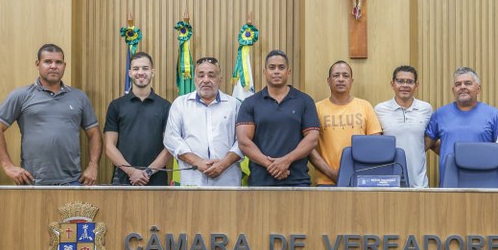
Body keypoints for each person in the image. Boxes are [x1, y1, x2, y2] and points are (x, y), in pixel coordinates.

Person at [0, 43, 102, 185]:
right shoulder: (21, 95)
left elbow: (94, 134)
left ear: (64, 66)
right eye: (48, 61)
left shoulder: (79, 97)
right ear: (37, 64)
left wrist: (93, 165)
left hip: (73, 181)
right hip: (33, 182)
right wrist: (7, 166)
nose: (54, 66)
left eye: (58, 62)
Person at [237, 50, 320, 186]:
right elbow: (244, 141)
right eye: (272, 67)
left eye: (281, 67)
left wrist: (286, 160)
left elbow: (312, 138)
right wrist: (273, 165)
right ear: (265, 72)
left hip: (297, 181)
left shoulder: (305, 101)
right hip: (260, 182)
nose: (276, 71)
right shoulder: (250, 103)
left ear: (288, 72)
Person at [164, 57, 244, 186]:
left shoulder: (234, 105)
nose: (206, 80)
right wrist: (198, 162)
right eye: (201, 75)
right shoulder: (180, 104)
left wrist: (223, 164)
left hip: (227, 179)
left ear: (220, 79)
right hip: (193, 179)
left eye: (211, 75)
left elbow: (242, 140)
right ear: (195, 79)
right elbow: (171, 139)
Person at [309, 60, 382, 185]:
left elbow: (375, 143)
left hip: (360, 180)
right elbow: (309, 147)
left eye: (345, 75)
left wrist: (355, 172)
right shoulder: (316, 108)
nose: (341, 79)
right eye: (336, 75)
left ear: (351, 81)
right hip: (326, 181)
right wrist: (332, 173)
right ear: (328, 81)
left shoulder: (365, 106)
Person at [103, 51, 172, 186]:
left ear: (152, 72)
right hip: (123, 178)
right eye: (136, 69)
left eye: (145, 68)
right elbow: (109, 146)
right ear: (130, 73)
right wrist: (131, 172)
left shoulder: (165, 106)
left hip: (156, 179)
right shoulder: (116, 105)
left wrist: (147, 172)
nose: (140, 72)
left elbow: (169, 147)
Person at [425, 67, 498, 183]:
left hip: (484, 181)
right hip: (450, 181)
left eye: (468, 83)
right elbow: (426, 144)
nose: (462, 87)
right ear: (453, 90)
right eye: (458, 84)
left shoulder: (494, 115)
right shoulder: (440, 114)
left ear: (478, 88)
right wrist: (449, 152)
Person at [374, 65, 433, 188]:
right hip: (389, 182)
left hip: (419, 183)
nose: (405, 85)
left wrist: (417, 149)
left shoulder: (426, 109)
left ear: (416, 85)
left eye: (410, 82)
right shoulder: (380, 109)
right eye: (400, 81)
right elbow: (376, 143)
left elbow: (430, 139)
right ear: (392, 84)